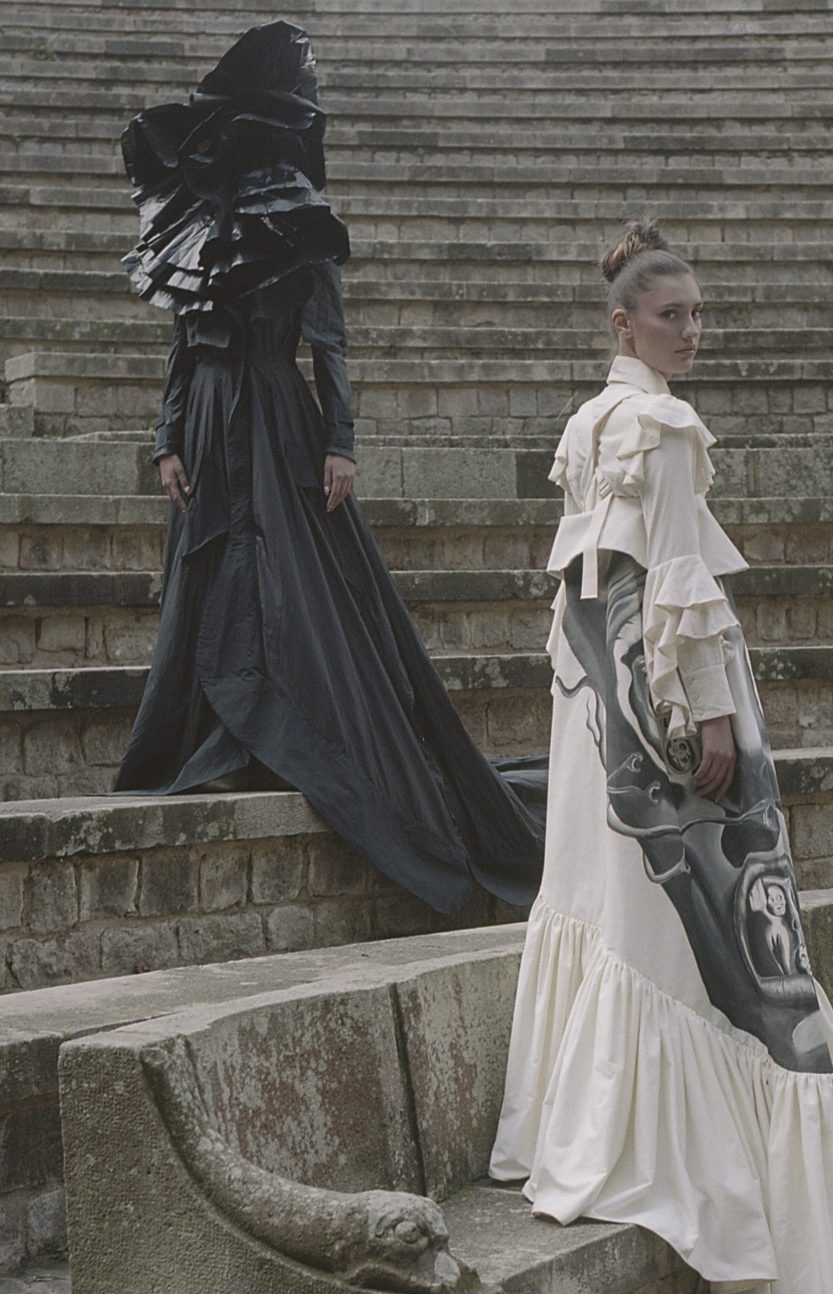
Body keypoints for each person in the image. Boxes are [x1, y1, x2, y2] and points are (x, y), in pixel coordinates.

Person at [489, 219, 833, 1294]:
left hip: (598, 715)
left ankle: (602, 1129)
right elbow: (678, 581)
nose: (691, 332)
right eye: (671, 315)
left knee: (618, 911)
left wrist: (612, 706)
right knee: (708, 933)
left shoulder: (587, 424)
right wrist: (711, 715)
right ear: (622, 322)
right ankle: (702, 1172)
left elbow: (585, 592)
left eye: (698, 314)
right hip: (671, 707)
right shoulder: (663, 427)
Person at [113, 20, 544, 915]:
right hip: (209, 422)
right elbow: (185, 343)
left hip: (276, 416)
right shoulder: (194, 224)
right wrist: (165, 438)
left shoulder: (300, 219)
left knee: (281, 576)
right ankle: (219, 739)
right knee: (214, 572)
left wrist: (339, 441)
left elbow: (329, 342)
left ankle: (280, 734)